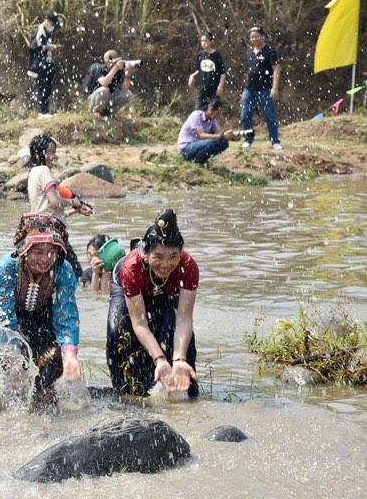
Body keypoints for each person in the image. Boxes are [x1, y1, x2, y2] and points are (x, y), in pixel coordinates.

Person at [0, 213, 81, 411]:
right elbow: (3, 315)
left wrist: (71, 354)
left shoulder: (63, 270)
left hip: (42, 317)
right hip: (7, 320)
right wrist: (13, 359)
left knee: (53, 360)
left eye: (51, 252)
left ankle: (44, 415)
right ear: (24, 249)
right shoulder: (7, 267)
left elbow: (67, 314)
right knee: (4, 379)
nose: (46, 259)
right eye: (38, 252)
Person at [106, 209, 199, 397]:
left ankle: (185, 389)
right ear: (145, 254)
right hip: (127, 287)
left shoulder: (188, 267)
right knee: (118, 330)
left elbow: (184, 318)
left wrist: (178, 358)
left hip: (165, 291)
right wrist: (160, 359)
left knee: (170, 330)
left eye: (173, 256)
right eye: (159, 257)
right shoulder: (132, 268)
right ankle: (124, 392)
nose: (166, 264)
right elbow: (139, 322)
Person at [26, 134, 90, 277]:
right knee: (75, 275)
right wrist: (72, 202)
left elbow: (46, 210)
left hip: (39, 231)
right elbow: (55, 202)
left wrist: (75, 211)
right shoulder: (44, 171)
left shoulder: (33, 172)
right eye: (49, 152)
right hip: (53, 234)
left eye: (53, 152)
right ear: (39, 152)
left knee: (50, 277)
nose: (52, 156)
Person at [240, 26, 282, 149]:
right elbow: (248, 72)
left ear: (262, 36)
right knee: (245, 114)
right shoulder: (249, 52)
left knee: (270, 116)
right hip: (249, 89)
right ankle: (248, 139)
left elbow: (276, 69)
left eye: (256, 36)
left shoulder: (269, 51)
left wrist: (275, 88)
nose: (254, 39)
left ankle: (275, 141)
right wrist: (244, 89)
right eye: (252, 37)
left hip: (265, 89)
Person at [177, 98, 240, 164]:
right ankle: (196, 161)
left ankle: (200, 160)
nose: (218, 116)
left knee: (224, 143)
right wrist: (223, 136)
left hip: (198, 146)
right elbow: (202, 136)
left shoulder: (212, 119)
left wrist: (232, 137)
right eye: (218, 113)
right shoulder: (196, 115)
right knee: (211, 143)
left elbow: (220, 134)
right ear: (211, 109)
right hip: (186, 148)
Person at [27, 12, 64, 118]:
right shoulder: (39, 31)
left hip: (47, 65)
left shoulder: (46, 34)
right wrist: (48, 47)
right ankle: (41, 112)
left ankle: (45, 111)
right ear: (47, 21)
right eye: (52, 24)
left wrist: (53, 47)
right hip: (39, 66)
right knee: (42, 88)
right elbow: (33, 47)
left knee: (47, 88)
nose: (52, 27)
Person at [81, 50, 135, 118]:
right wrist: (114, 69)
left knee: (128, 94)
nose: (114, 64)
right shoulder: (98, 68)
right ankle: (96, 111)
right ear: (106, 62)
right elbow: (104, 83)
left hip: (107, 100)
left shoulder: (118, 71)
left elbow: (125, 89)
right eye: (113, 62)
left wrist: (127, 74)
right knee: (105, 90)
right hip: (92, 100)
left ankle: (110, 113)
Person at [188, 32, 226, 110]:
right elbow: (200, 69)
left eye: (206, 41)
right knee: (198, 111)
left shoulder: (216, 55)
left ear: (211, 41)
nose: (204, 43)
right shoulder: (200, 55)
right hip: (202, 88)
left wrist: (220, 86)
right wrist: (192, 76)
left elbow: (222, 72)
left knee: (212, 112)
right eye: (202, 41)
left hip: (213, 89)